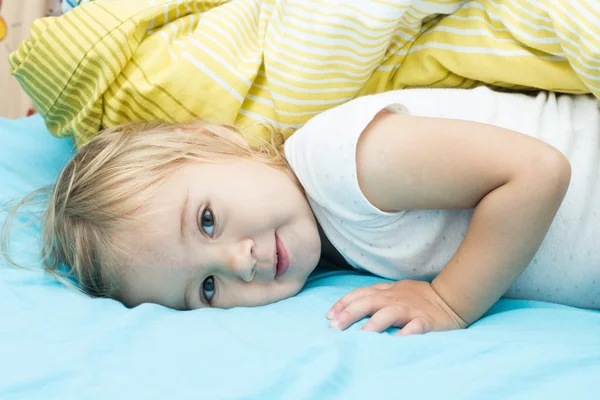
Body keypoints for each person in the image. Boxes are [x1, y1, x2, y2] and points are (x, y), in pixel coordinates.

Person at [4, 86, 600, 336]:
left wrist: (448, 299)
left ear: (217, 139)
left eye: (206, 220)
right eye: (206, 288)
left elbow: (537, 171)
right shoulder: (334, 246)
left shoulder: (342, 164)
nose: (241, 262)